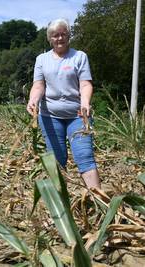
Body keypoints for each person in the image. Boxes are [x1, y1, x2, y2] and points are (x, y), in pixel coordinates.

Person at [26, 18, 101, 189]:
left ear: (69, 36)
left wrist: (85, 103)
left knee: (85, 157)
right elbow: (38, 85)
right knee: (57, 161)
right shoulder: (42, 59)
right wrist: (33, 100)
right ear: (49, 38)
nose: (59, 38)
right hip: (50, 117)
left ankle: (100, 202)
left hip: (78, 116)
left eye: (63, 34)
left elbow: (85, 84)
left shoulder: (79, 56)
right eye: (55, 35)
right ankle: (61, 203)